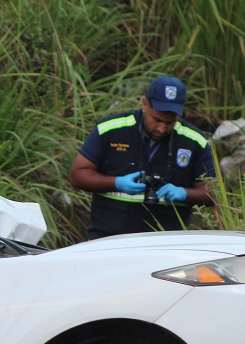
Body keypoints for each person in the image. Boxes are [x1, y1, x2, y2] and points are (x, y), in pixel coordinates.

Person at [69, 75, 216, 239]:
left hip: (167, 241)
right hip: (109, 236)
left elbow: (212, 192)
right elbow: (77, 175)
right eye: (157, 120)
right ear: (144, 104)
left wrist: (184, 193)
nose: (161, 129)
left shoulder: (196, 141)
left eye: (170, 122)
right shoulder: (110, 130)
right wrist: (116, 183)